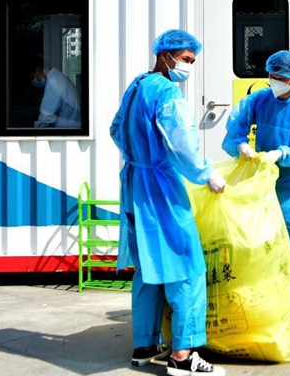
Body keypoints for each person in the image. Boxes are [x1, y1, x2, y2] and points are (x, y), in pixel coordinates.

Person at [110, 29, 227, 376]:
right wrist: (206, 174)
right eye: (187, 60)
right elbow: (183, 144)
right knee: (186, 268)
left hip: (134, 184)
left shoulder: (137, 86)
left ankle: (144, 346)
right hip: (159, 189)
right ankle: (182, 356)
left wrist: (140, 155)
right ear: (166, 56)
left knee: (148, 269)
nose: (188, 67)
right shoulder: (167, 93)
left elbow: (116, 129)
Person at [221, 50, 290, 336]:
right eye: (272, 76)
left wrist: (282, 153)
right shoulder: (259, 99)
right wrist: (241, 147)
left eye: (282, 77)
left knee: (289, 262)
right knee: (259, 257)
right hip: (262, 189)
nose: (276, 82)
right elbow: (234, 128)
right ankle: (262, 317)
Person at [30, 63, 81, 128]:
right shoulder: (58, 76)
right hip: (72, 125)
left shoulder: (54, 81)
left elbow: (46, 115)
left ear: (38, 71)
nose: (34, 81)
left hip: (68, 127)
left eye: (32, 77)